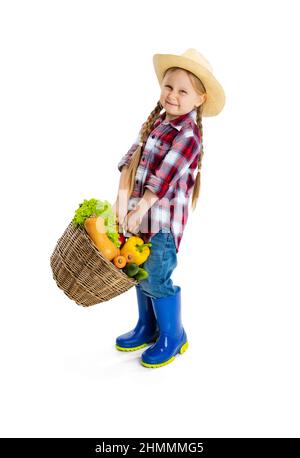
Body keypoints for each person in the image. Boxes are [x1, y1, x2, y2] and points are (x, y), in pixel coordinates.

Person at [113, 48, 225, 368]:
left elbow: (161, 181)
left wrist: (138, 209)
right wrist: (122, 205)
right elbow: (129, 161)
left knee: (156, 276)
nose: (173, 95)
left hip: (160, 225)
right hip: (138, 219)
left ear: (199, 99)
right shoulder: (157, 122)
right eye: (168, 86)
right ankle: (148, 327)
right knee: (137, 273)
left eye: (183, 91)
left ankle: (173, 335)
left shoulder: (188, 135)